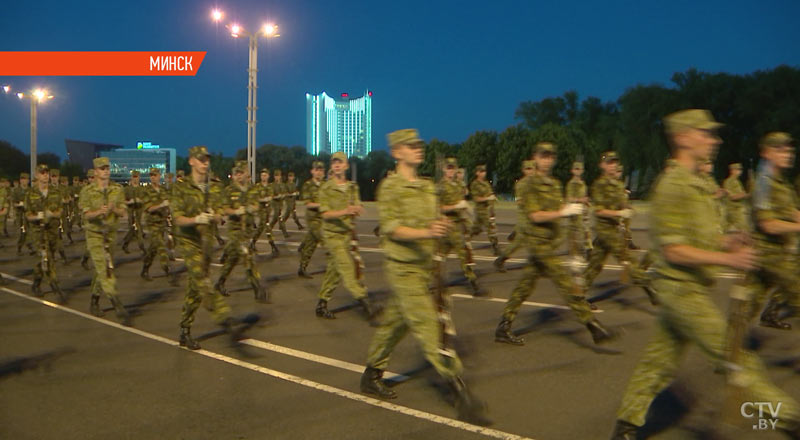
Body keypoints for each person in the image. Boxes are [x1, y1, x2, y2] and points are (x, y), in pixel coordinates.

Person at [609, 110, 800, 440]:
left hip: (691, 287)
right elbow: (674, 250)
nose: (715, 140)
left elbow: (699, 235)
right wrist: (730, 258)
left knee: (658, 362)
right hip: (681, 291)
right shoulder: (672, 185)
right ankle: (789, 420)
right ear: (683, 138)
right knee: (737, 358)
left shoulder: (697, 184)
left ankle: (626, 426)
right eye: (706, 133)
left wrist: (729, 239)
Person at [360, 128, 491, 426]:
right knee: (429, 326)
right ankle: (459, 392)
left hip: (424, 268)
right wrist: (427, 232)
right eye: (411, 146)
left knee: (395, 323)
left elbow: (435, 220)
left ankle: (371, 374)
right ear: (397, 152)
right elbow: (392, 228)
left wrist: (442, 225)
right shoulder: (390, 188)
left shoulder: (427, 187)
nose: (418, 149)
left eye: (419, 145)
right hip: (403, 268)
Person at [494, 142, 613, 346]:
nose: (547, 160)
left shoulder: (555, 184)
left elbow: (558, 212)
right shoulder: (530, 184)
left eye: (550, 156)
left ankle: (503, 327)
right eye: (543, 156)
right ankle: (593, 326)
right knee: (565, 282)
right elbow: (535, 215)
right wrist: (563, 212)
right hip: (537, 242)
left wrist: (569, 213)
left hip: (549, 242)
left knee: (525, 285)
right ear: (535, 158)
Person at [170, 146, 240, 350]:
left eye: (207, 159)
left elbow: (221, 214)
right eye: (200, 159)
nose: (205, 163)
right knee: (201, 278)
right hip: (189, 241)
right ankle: (223, 315)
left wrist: (215, 216)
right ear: (191, 161)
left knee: (196, 289)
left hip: (207, 242)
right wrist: (196, 219)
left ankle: (184, 329)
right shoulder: (181, 187)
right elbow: (177, 218)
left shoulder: (216, 186)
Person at [584, 151, 657, 305]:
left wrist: (628, 209)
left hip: (614, 228)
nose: (613, 165)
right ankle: (650, 289)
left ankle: (576, 295)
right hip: (604, 229)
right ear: (602, 165)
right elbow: (598, 210)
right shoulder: (599, 185)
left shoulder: (617, 184)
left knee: (595, 266)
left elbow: (622, 203)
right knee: (627, 258)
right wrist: (619, 213)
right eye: (609, 162)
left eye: (615, 162)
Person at [745, 132, 800, 330]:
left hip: (776, 253)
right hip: (769, 254)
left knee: (747, 308)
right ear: (767, 153)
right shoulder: (763, 183)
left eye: (789, 150)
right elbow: (767, 224)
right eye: (781, 149)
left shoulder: (781, 182)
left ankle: (725, 352)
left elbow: (791, 211)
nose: (788, 154)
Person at [315, 151, 376, 321]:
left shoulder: (352, 187)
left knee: (335, 270)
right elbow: (325, 213)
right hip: (332, 234)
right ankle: (363, 300)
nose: (336, 165)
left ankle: (322, 303)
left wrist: (356, 209)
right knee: (347, 266)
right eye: (334, 162)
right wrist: (346, 211)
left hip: (346, 235)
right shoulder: (326, 188)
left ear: (346, 166)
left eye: (340, 162)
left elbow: (357, 205)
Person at [79, 157, 132, 325]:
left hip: (110, 234)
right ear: (95, 172)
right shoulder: (87, 191)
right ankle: (116, 302)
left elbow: (123, 212)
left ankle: (94, 299)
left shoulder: (117, 189)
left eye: (107, 168)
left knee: (103, 269)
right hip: (94, 233)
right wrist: (98, 213)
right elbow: (86, 214)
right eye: (102, 169)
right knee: (103, 268)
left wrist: (112, 209)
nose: (106, 171)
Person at [215, 161, 268, 302]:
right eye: (236, 174)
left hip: (248, 229)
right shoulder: (229, 190)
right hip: (235, 229)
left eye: (241, 173)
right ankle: (257, 289)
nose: (238, 176)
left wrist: (252, 208)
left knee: (233, 258)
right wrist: (236, 211)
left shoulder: (252, 189)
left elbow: (257, 204)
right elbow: (224, 209)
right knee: (247, 256)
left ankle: (220, 283)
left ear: (247, 174)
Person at [438, 157, 482, 296]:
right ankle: (426, 283)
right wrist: (456, 206)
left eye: (453, 167)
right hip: (444, 226)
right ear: (444, 169)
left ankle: (473, 284)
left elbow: (463, 204)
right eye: (448, 167)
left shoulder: (458, 185)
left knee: (464, 255)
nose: (451, 170)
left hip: (457, 227)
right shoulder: (440, 186)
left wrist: (468, 213)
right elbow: (438, 208)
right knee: (437, 259)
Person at [26, 165, 67, 301]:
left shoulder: (56, 192)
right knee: (47, 257)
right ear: (37, 175)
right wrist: (37, 216)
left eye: (46, 173)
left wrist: (52, 214)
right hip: (38, 232)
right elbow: (28, 215)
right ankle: (55, 287)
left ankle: (36, 283)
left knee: (44, 259)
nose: (45, 175)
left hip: (52, 231)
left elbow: (60, 211)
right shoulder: (30, 193)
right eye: (42, 173)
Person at [494, 160, 536, 272]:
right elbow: (520, 201)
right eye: (528, 169)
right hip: (525, 217)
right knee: (519, 242)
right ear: (523, 170)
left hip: (534, 217)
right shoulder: (521, 184)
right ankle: (501, 259)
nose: (530, 171)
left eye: (532, 168)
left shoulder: (536, 183)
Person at [140, 168, 176, 284]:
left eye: (155, 175)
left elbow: (169, 205)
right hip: (152, 223)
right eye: (151, 175)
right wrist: (162, 205)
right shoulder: (146, 191)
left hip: (162, 222)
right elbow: (149, 208)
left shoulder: (163, 190)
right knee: (161, 246)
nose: (153, 177)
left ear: (159, 176)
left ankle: (145, 269)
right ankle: (168, 271)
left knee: (153, 249)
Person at [297, 161, 325, 278]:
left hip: (323, 217)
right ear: (312, 171)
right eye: (316, 170)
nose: (319, 172)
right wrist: (321, 205)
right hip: (313, 218)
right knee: (324, 239)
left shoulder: (326, 185)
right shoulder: (308, 185)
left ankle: (302, 268)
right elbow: (308, 204)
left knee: (311, 243)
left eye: (321, 170)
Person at [469, 164, 499, 255]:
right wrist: (487, 199)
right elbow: (476, 198)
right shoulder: (474, 184)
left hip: (489, 210)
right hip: (481, 210)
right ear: (477, 173)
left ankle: (465, 239)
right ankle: (495, 247)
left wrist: (493, 198)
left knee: (476, 229)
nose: (483, 173)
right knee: (491, 227)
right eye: (481, 172)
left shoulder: (486, 183)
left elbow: (490, 194)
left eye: (484, 171)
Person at [249, 168, 280, 256]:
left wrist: (268, 199)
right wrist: (263, 199)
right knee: (266, 226)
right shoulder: (258, 186)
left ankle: (253, 243)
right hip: (261, 210)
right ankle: (272, 244)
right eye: (262, 175)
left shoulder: (270, 186)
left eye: (265, 175)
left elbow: (271, 196)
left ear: (268, 176)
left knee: (262, 227)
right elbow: (256, 198)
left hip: (268, 210)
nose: (264, 177)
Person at [121, 170, 146, 254]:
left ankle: (139, 247)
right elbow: (122, 200)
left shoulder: (142, 189)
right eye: (134, 177)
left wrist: (140, 201)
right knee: (133, 229)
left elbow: (145, 200)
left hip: (139, 212)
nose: (135, 179)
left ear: (139, 178)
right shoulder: (127, 189)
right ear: (131, 178)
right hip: (131, 212)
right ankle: (139, 246)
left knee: (136, 229)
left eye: (137, 177)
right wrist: (129, 202)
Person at [723, 163, 749, 233]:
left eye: (740, 170)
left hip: (739, 209)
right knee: (742, 231)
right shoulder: (728, 182)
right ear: (732, 171)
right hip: (734, 210)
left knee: (744, 229)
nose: (739, 171)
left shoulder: (737, 181)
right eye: (737, 170)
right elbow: (731, 197)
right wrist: (743, 195)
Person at [269, 169, 289, 239]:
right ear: (274, 177)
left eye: (278, 175)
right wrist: (277, 196)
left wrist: (283, 195)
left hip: (281, 203)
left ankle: (270, 228)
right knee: (277, 217)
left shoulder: (282, 185)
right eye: (276, 176)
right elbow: (271, 195)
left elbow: (285, 192)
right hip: (275, 203)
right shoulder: (272, 185)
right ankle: (284, 232)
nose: (277, 177)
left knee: (279, 217)